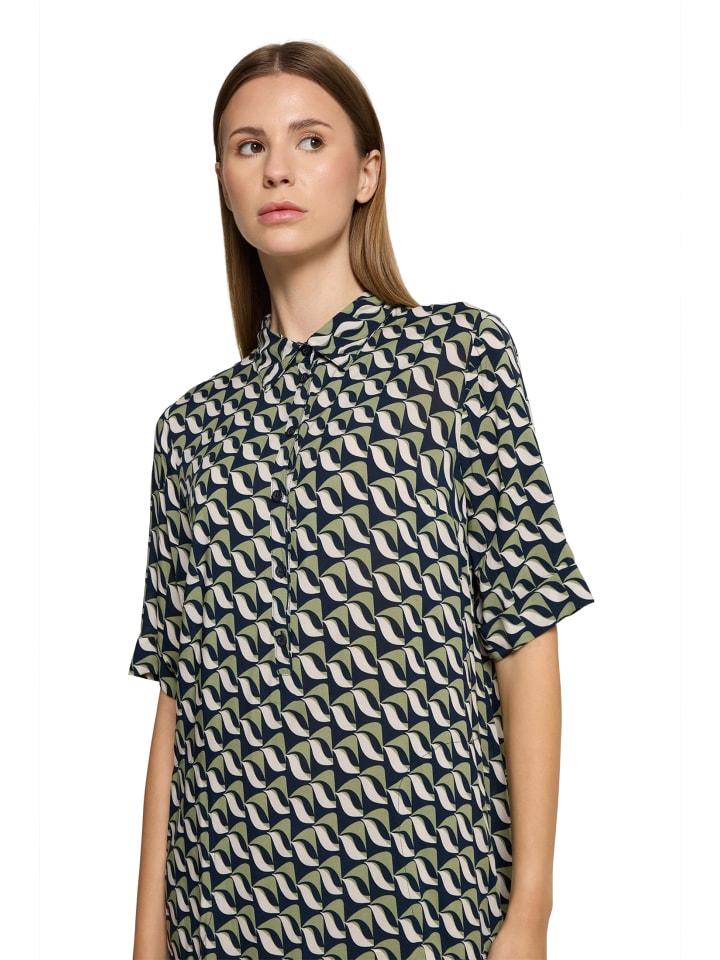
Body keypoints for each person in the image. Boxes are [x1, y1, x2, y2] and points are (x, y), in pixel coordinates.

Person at [128, 40, 595, 960]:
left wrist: (531, 910)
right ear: (224, 182)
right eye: (249, 146)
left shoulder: (458, 362)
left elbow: (525, 636)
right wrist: (146, 942)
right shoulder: (192, 429)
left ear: (367, 173)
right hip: (223, 909)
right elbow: (179, 707)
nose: (278, 169)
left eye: (310, 140)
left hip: (428, 901)